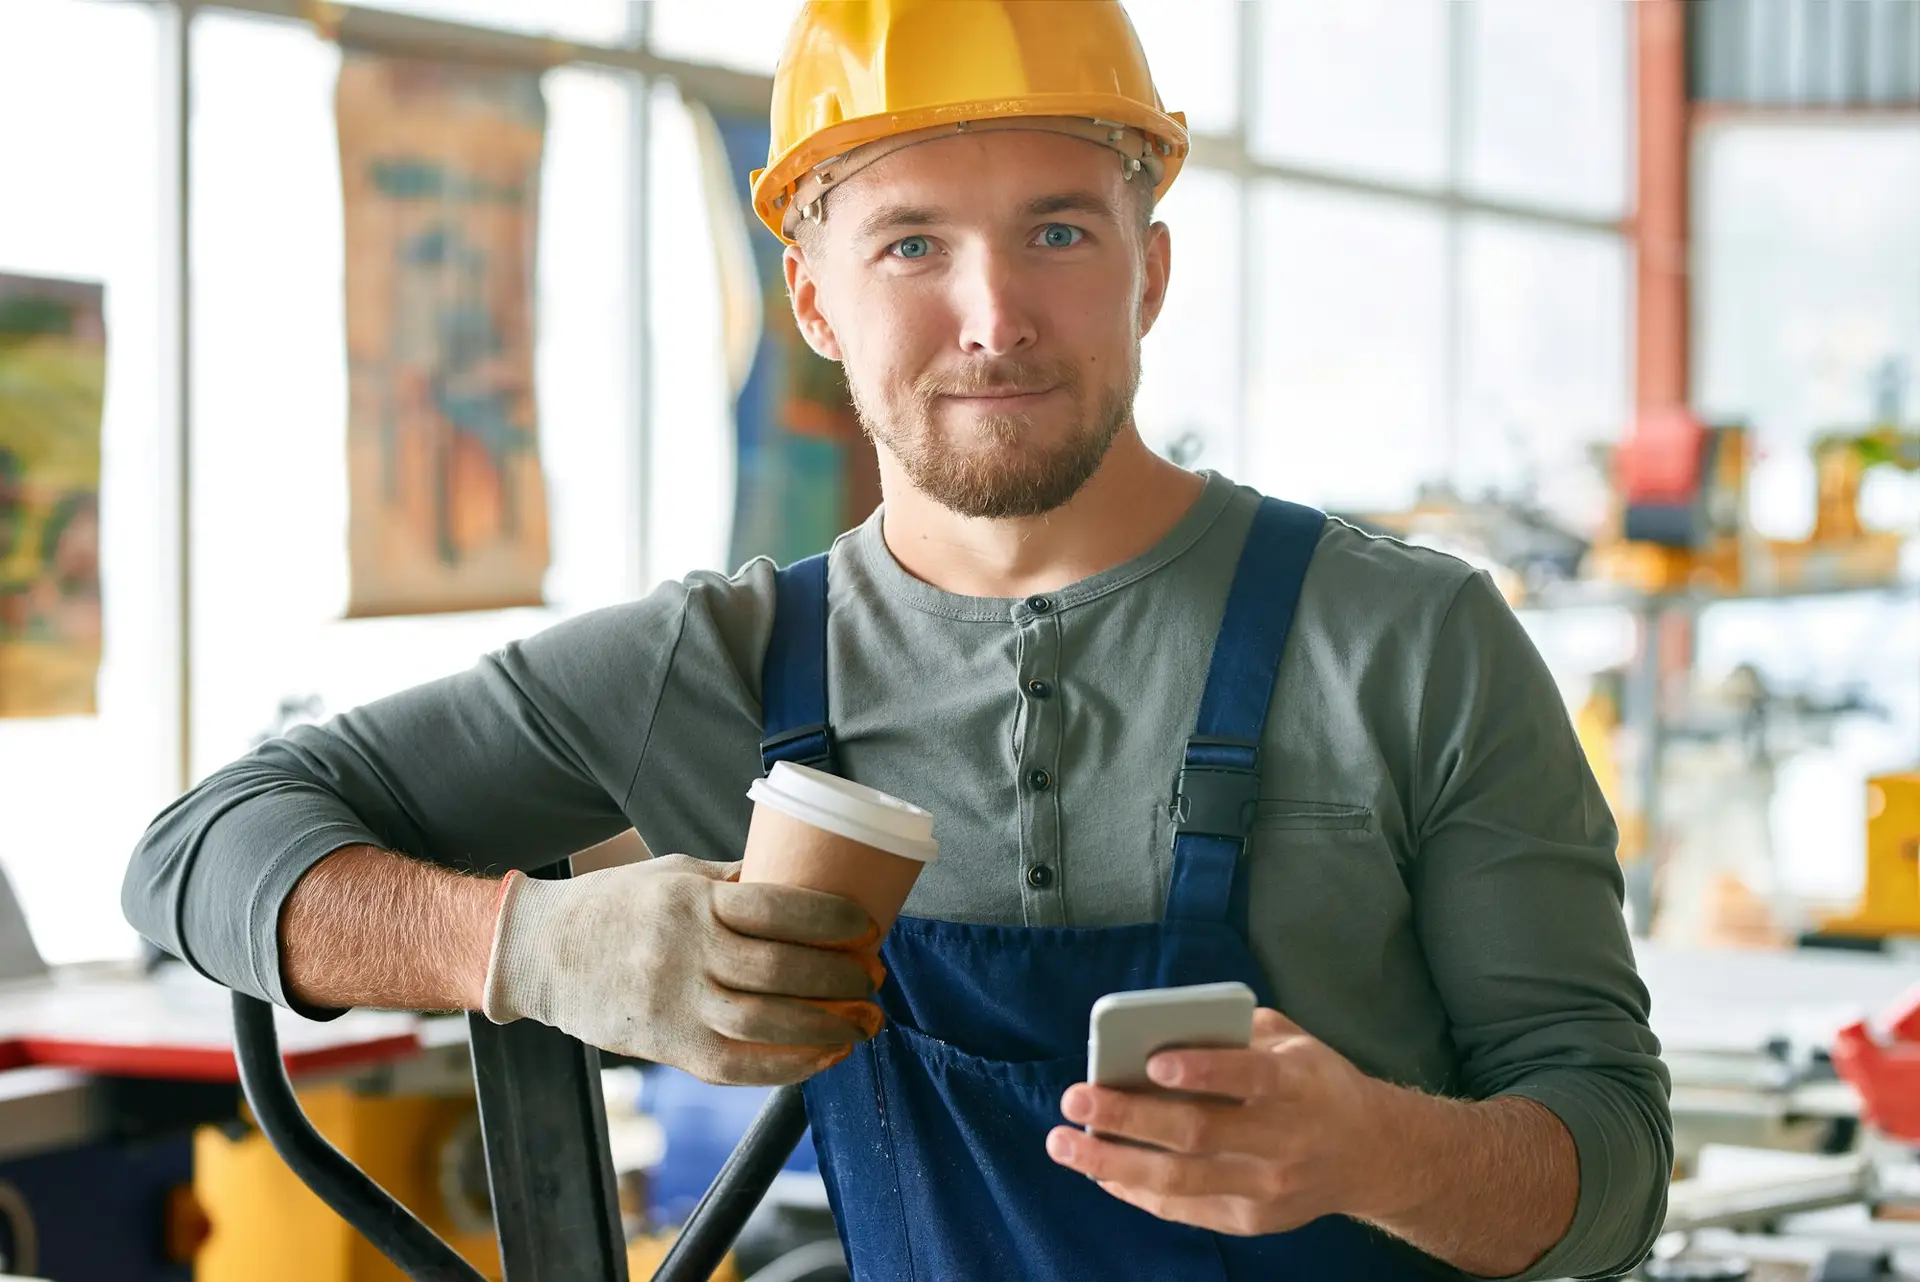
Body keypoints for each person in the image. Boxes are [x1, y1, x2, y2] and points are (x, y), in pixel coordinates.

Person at [123, 3, 1670, 1278]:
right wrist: (521, 947)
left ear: (1155, 267)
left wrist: (1375, 1148)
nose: (993, 315)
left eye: (1059, 229)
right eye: (912, 246)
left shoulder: (1412, 639)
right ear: (811, 296)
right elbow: (197, 851)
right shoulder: (717, 667)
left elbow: (1611, 1164)